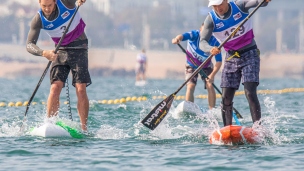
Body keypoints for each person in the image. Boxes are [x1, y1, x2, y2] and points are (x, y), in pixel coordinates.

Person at [199, 0, 271, 126]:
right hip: (231, 57)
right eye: (214, 6)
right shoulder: (211, 19)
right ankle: (228, 129)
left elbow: (260, 2)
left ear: (226, 1)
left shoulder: (239, 6)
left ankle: (258, 128)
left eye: (220, 4)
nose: (217, 8)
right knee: (226, 97)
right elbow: (202, 42)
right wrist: (210, 49)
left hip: (250, 54)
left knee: (250, 92)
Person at [26, 0, 91, 131]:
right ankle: (50, 124)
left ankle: (84, 129)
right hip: (60, 50)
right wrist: (43, 53)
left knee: (80, 88)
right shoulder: (38, 19)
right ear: (39, 3)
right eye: (44, 6)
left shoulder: (66, 3)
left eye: (49, 5)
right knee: (55, 88)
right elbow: (29, 45)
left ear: (55, 1)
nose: (47, 9)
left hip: (79, 47)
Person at [172, 24, 222, 109]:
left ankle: (212, 111)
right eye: (203, 32)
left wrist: (212, 75)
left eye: (208, 33)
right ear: (200, 30)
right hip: (191, 65)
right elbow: (182, 36)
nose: (205, 35)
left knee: (210, 85)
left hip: (206, 65)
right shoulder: (194, 35)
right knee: (190, 86)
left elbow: (219, 61)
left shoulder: (215, 43)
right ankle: (189, 109)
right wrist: (177, 39)